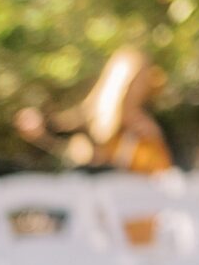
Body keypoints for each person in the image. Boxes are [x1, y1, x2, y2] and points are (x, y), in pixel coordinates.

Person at [15, 46, 174, 173]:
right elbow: (82, 153)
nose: (146, 86)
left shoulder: (148, 122)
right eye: (141, 79)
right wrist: (40, 134)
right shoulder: (98, 124)